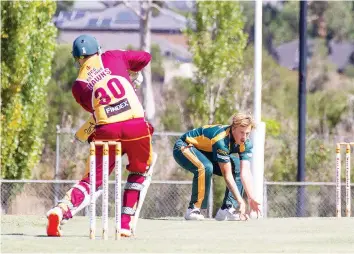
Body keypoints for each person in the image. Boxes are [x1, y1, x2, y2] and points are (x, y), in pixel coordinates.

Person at [46, 34, 154, 237]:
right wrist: (131, 73)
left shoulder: (78, 85)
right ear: (98, 49)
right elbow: (145, 57)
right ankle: (124, 224)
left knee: (91, 181)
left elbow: (95, 110)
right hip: (135, 125)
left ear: (77, 58)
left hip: (107, 128)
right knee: (139, 172)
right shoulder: (113, 56)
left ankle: (61, 210)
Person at [173, 112, 261, 221]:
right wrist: (240, 200)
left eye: (247, 133)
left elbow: (245, 172)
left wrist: (251, 198)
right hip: (184, 146)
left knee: (236, 167)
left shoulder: (246, 143)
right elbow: (227, 175)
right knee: (205, 167)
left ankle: (227, 209)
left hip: (206, 151)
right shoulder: (221, 141)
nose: (244, 137)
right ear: (233, 128)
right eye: (241, 132)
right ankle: (193, 209)